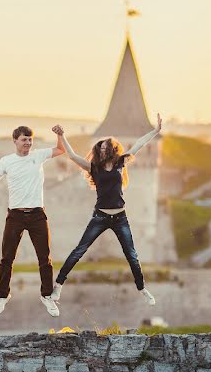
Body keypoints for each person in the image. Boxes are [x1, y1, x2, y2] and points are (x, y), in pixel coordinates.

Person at [50, 114, 162, 306]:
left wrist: (155, 131)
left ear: (111, 150)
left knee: (131, 255)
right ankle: (58, 286)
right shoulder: (94, 168)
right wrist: (62, 136)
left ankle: (143, 289)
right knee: (79, 250)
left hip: (120, 217)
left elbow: (139, 144)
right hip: (100, 216)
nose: (102, 151)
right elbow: (72, 156)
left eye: (105, 149)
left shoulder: (121, 163)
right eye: (100, 149)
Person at [0, 125, 64, 317]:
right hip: (15, 215)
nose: (28, 143)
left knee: (44, 258)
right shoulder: (6, 161)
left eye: (30, 139)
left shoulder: (38, 156)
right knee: (7, 258)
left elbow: (61, 150)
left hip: (37, 214)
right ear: (15, 141)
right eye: (24, 139)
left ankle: (47, 296)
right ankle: (2, 296)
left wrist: (60, 135)